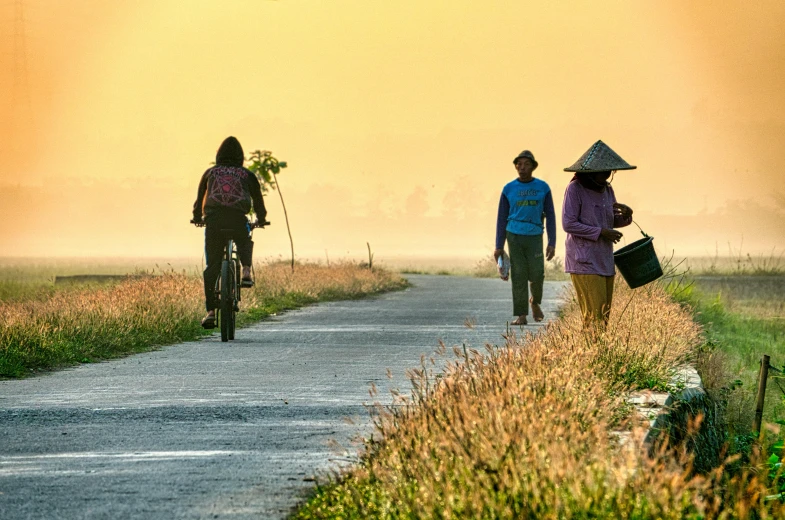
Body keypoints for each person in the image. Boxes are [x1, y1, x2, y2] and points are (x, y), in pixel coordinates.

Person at [192, 136, 267, 329]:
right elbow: (258, 200)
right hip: (236, 218)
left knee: (212, 267)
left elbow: (199, 199)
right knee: (244, 239)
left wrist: (198, 218)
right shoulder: (246, 174)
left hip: (214, 221)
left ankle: (210, 312)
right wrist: (262, 218)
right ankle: (247, 271)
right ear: (240, 156)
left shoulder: (210, 172)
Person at [561, 140, 635, 328]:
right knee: (593, 316)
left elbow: (610, 221)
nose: (606, 176)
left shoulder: (607, 190)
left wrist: (627, 217)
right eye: (602, 172)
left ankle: (597, 352)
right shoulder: (575, 189)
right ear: (590, 172)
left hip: (604, 259)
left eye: (608, 172)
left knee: (603, 315)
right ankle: (590, 353)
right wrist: (601, 232)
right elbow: (568, 223)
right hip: (583, 259)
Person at [493, 150, 556, 326]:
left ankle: (535, 302)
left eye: (526, 164)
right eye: (519, 164)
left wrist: (552, 242)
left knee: (537, 274)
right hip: (514, 235)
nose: (522, 167)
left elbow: (550, 215)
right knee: (519, 275)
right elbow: (501, 218)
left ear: (533, 167)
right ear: (515, 166)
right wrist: (499, 245)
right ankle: (521, 315)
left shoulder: (543, 188)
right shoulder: (509, 189)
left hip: (535, 235)